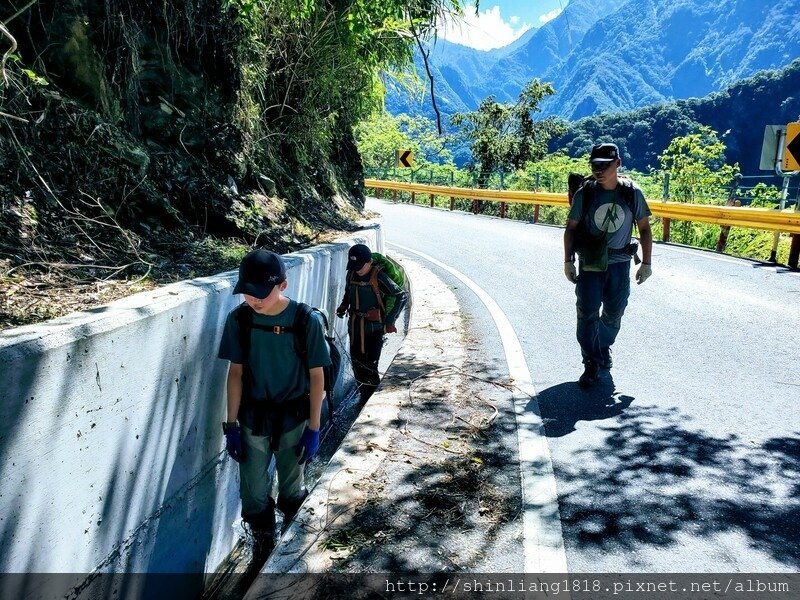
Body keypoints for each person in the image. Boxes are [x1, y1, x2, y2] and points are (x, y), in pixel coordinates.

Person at [217, 249, 331, 564]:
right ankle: (262, 549)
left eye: (261, 293)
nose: (254, 299)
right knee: (253, 495)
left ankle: (291, 552)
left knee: (293, 489)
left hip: (294, 420)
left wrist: (313, 428)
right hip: (252, 419)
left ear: (283, 284)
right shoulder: (239, 319)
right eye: (248, 293)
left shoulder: (303, 319)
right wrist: (231, 426)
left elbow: (317, 376)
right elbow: (235, 373)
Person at [563, 143, 653, 388]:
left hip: (620, 264)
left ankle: (602, 347)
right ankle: (590, 362)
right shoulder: (586, 194)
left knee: (614, 313)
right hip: (591, 264)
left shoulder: (632, 193)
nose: (599, 170)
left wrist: (646, 263)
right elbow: (570, 228)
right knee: (587, 313)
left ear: (618, 164)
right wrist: (568, 261)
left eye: (605, 165)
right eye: (595, 165)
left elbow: (644, 228)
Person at [336, 244, 408, 403]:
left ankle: (372, 401)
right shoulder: (352, 274)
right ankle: (363, 398)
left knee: (371, 366)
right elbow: (348, 292)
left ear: (369, 262)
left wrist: (390, 320)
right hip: (354, 327)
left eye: (360, 266)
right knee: (356, 364)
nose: (358, 269)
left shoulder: (379, 277)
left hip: (374, 329)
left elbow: (401, 296)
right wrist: (343, 306)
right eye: (354, 266)